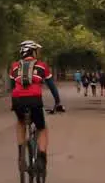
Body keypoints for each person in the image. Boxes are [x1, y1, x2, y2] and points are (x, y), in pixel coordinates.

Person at [9, 40, 64, 173]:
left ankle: (21, 154)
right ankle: (41, 158)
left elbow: (12, 87)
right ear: (32, 52)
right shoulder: (42, 66)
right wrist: (57, 102)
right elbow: (52, 87)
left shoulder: (14, 66)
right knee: (42, 128)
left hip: (17, 100)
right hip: (34, 100)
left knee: (21, 122)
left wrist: (14, 103)